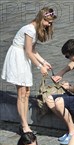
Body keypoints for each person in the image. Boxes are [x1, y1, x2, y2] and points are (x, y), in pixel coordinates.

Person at [1, 7, 56, 135]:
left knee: (26, 92)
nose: (49, 24)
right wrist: (39, 66)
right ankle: (24, 125)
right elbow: (28, 51)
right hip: (18, 58)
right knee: (21, 92)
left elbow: (33, 50)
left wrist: (44, 61)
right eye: (48, 22)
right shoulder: (30, 29)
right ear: (42, 18)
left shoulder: (36, 29)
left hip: (23, 57)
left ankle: (24, 123)